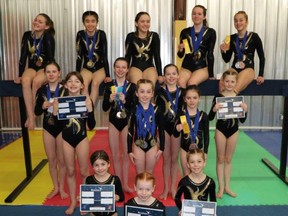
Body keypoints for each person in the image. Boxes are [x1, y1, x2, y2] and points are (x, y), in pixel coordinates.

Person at [52, 71, 96, 215]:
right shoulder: (61, 101)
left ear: (82, 85)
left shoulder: (86, 100)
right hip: (67, 139)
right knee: (70, 171)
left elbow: (92, 124)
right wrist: (55, 112)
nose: (73, 84)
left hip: (81, 138)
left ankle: (85, 201)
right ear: (65, 84)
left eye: (77, 81)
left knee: (84, 171)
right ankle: (72, 201)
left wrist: (90, 109)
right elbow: (58, 127)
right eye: (70, 81)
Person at [208, 69, 248, 198]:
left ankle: (227, 187)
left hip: (233, 130)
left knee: (228, 159)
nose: (229, 84)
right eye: (227, 81)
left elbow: (242, 120)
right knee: (220, 159)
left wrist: (245, 110)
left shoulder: (238, 98)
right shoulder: (218, 97)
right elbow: (209, 117)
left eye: (232, 82)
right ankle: (220, 188)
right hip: (220, 130)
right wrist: (214, 109)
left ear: (236, 83)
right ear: (223, 82)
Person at [15, 13, 55, 130]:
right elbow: (23, 57)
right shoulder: (27, 35)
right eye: (35, 20)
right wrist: (20, 75)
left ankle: (31, 115)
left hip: (45, 68)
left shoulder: (48, 37)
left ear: (46, 26)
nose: (36, 22)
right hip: (32, 68)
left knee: (37, 82)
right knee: (26, 80)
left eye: (40, 22)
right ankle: (31, 115)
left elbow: (51, 57)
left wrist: (52, 73)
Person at [102, 57, 136, 193]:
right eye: (118, 67)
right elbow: (104, 108)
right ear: (114, 69)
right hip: (113, 122)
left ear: (127, 69)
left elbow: (134, 107)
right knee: (115, 155)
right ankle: (118, 183)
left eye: (123, 67)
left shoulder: (132, 86)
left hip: (127, 122)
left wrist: (126, 100)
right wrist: (110, 100)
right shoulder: (108, 86)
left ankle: (126, 183)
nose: (120, 70)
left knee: (126, 155)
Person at [34, 61, 67, 200]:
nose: (51, 74)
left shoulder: (65, 89)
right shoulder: (41, 90)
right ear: (45, 74)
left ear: (59, 73)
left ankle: (62, 187)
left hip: (61, 128)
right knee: (52, 160)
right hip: (47, 127)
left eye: (54, 71)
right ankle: (56, 187)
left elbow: (70, 111)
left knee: (62, 160)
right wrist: (42, 105)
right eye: (48, 72)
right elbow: (36, 111)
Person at [155, 64, 184, 199]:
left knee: (174, 159)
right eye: (168, 74)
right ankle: (166, 188)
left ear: (178, 76)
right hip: (163, 128)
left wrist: (186, 129)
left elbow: (185, 112)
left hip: (177, 128)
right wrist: (156, 129)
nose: (171, 76)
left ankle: (173, 187)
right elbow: (155, 111)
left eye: (174, 73)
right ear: (164, 77)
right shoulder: (159, 92)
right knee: (166, 159)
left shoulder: (183, 92)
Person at [219, 11, 265, 94]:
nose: (238, 23)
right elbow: (227, 59)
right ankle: (221, 105)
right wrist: (223, 51)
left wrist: (261, 75)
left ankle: (229, 104)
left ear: (246, 22)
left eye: (241, 20)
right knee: (222, 84)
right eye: (236, 21)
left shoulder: (254, 36)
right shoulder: (230, 38)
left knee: (235, 87)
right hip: (234, 68)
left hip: (248, 69)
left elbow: (261, 56)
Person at [127, 79, 164, 174]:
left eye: (148, 92)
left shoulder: (157, 109)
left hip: (152, 145)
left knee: (149, 173)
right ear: (136, 93)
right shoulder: (133, 109)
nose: (145, 95)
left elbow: (161, 130)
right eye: (142, 91)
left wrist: (162, 148)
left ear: (152, 94)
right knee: (139, 173)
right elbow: (130, 131)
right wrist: (129, 151)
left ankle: (149, 189)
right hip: (138, 145)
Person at [76, 11, 110, 106]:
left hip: (100, 68)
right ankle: (86, 111)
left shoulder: (101, 34)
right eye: (87, 21)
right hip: (87, 68)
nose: (90, 24)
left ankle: (90, 112)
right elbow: (79, 56)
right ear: (83, 23)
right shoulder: (80, 34)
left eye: (93, 21)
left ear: (97, 22)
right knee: (83, 85)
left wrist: (107, 74)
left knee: (95, 84)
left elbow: (104, 55)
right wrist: (77, 73)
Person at [177, 5, 216, 88]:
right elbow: (180, 55)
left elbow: (210, 54)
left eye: (199, 14)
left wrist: (211, 75)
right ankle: (182, 101)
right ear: (191, 16)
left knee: (191, 84)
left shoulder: (210, 32)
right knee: (180, 82)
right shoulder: (185, 32)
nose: (196, 16)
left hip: (201, 67)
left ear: (204, 16)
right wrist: (180, 50)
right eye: (194, 14)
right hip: (186, 67)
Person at [174, 85, 209, 176]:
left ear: (199, 99)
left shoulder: (203, 115)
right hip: (185, 149)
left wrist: (205, 151)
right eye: (189, 98)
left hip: (199, 149)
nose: (192, 100)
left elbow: (206, 135)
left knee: (198, 173)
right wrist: (177, 129)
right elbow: (175, 134)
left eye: (194, 98)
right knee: (186, 174)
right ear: (184, 99)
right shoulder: (181, 114)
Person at [125, 11, 163, 86]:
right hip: (135, 66)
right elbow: (127, 56)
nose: (145, 24)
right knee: (137, 86)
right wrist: (125, 72)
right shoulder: (131, 36)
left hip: (149, 67)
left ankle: (152, 98)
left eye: (148, 21)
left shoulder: (154, 36)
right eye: (142, 21)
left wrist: (160, 74)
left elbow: (157, 56)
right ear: (136, 23)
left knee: (150, 86)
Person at [81, 150, 125, 216]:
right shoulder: (89, 180)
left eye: (103, 164)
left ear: (108, 164)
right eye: (96, 165)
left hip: (111, 213)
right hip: (95, 213)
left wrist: (117, 197)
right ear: (92, 166)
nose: (100, 168)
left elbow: (122, 197)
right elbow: (88, 198)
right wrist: (83, 200)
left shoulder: (115, 179)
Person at [174, 149, 216, 214]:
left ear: (204, 163)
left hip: (203, 212)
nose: (196, 165)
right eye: (192, 162)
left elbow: (213, 201)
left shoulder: (210, 182)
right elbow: (177, 198)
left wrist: (213, 212)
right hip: (188, 212)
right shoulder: (184, 182)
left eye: (199, 161)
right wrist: (182, 209)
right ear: (188, 164)